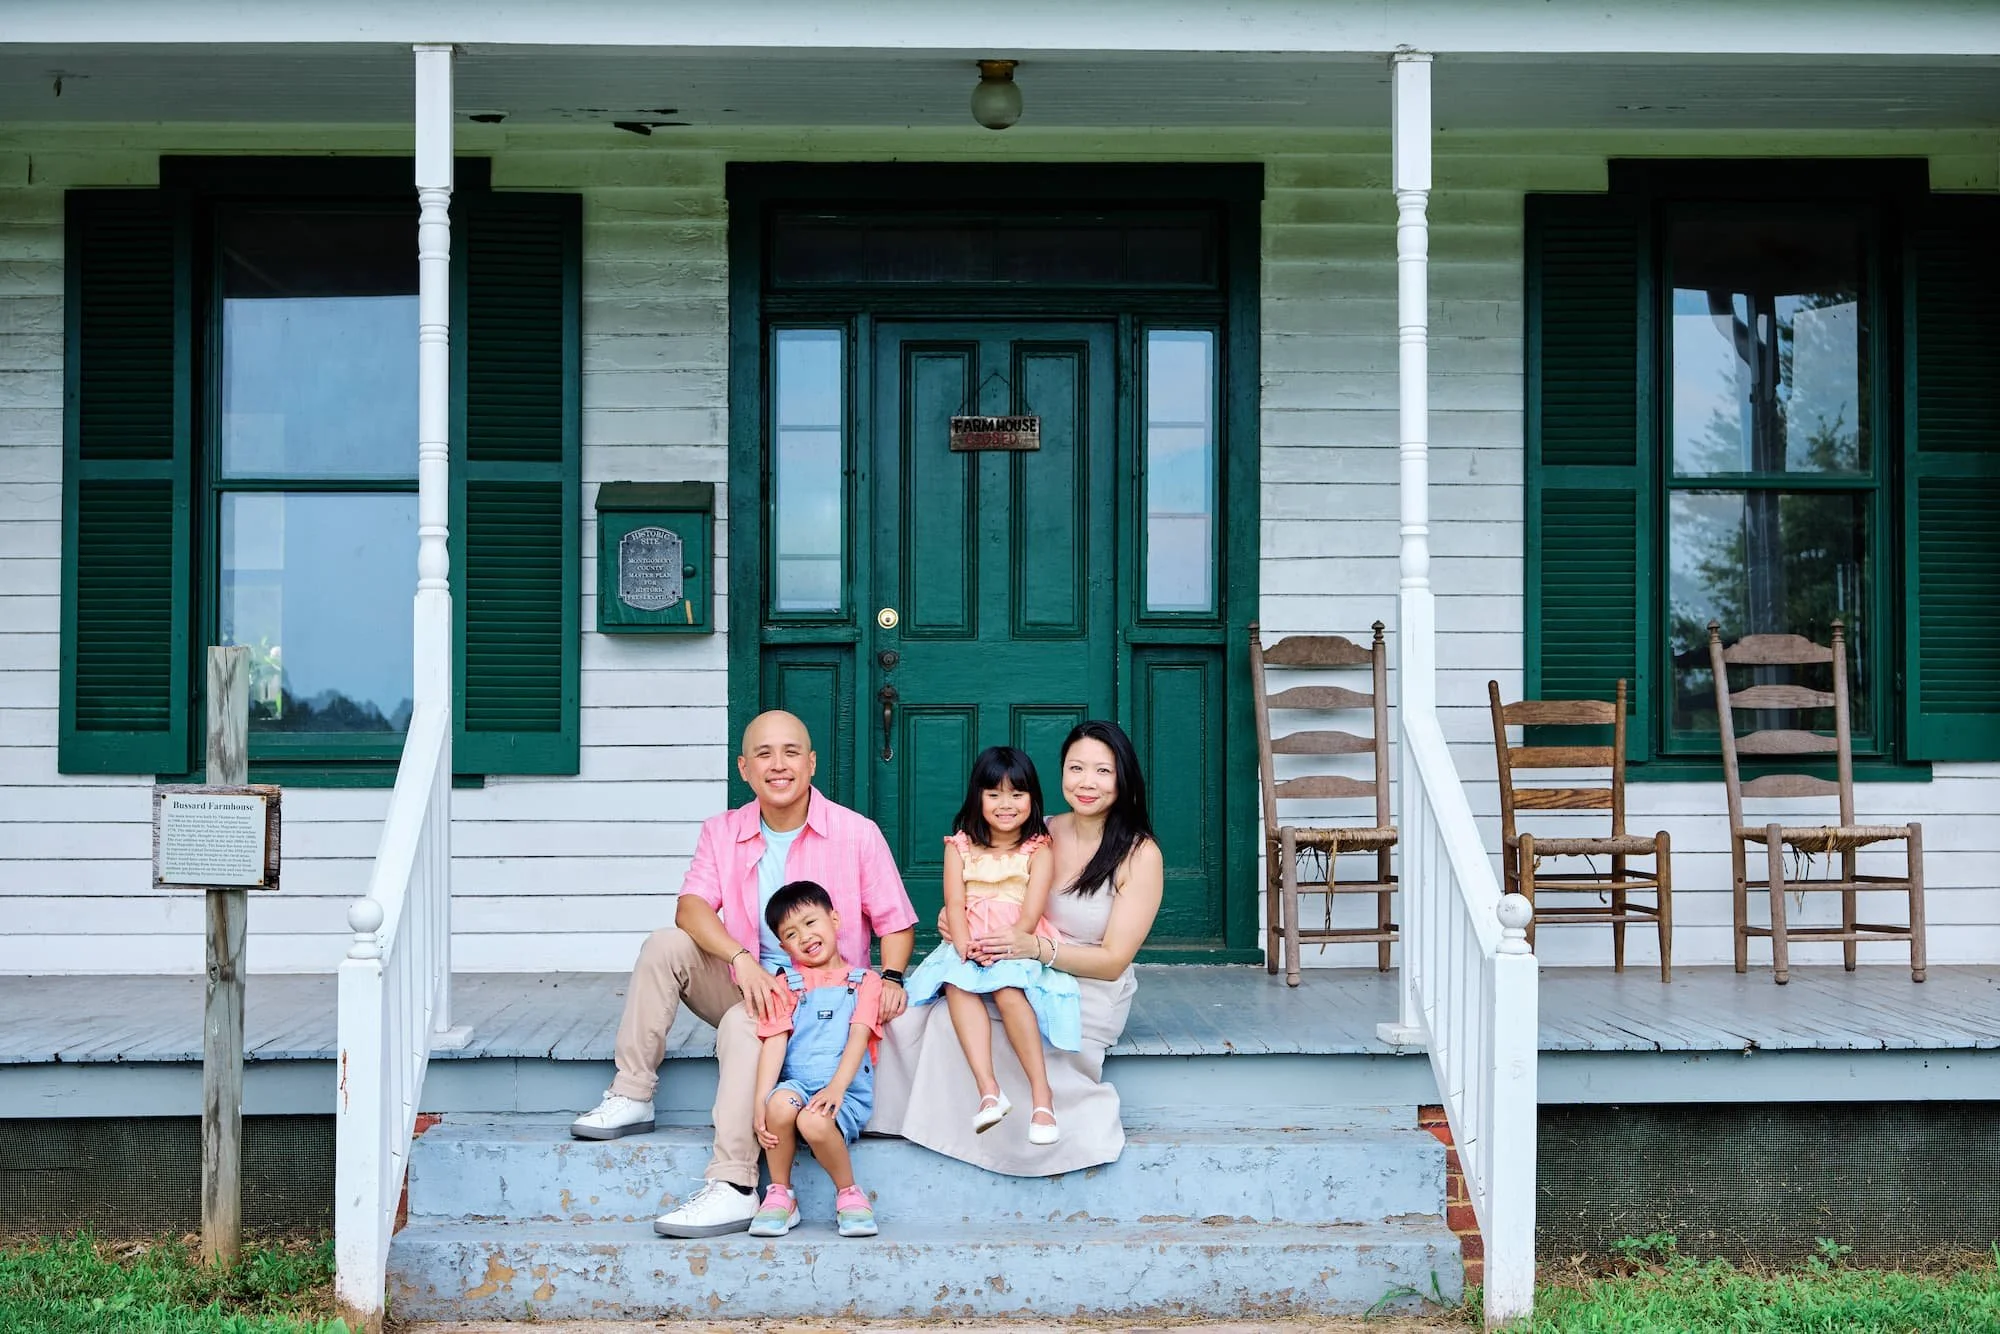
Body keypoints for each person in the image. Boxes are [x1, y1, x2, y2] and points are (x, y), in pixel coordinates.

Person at [569, 710, 916, 1239]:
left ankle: (733, 1185)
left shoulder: (855, 833)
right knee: (666, 944)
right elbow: (690, 909)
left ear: (812, 762)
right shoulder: (722, 831)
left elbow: (895, 922)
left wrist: (890, 978)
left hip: (823, 996)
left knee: (742, 1026)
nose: (779, 766)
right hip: (746, 978)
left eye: (792, 752)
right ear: (744, 769)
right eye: (764, 755)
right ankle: (632, 1093)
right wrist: (740, 959)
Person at [869, 720, 1163, 1177]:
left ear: (1124, 777)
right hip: (1008, 959)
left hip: (1084, 980)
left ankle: (1038, 1120)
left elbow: (1112, 961)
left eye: (1103, 771)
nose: (1087, 782)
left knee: (979, 1022)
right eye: (1076, 768)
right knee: (919, 1013)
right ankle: (907, 1117)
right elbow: (984, 887)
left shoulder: (1138, 854)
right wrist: (955, 919)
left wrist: (1035, 948)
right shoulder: (1037, 829)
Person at [900, 746, 1081, 1145]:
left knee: (1007, 989)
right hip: (970, 938)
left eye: (1017, 794)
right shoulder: (959, 845)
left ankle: (1041, 1097)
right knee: (957, 984)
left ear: (1032, 799)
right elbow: (955, 902)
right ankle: (989, 1091)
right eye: (994, 794)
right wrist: (964, 946)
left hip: (1014, 938)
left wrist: (1005, 946)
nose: (1005, 804)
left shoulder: (1038, 848)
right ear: (977, 797)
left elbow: (1030, 913)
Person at [747, 880, 884, 1239]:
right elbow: (775, 1042)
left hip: (845, 1090)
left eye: (811, 922)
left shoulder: (865, 981)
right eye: (791, 933)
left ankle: (849, 1194)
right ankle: (780, 1194)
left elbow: (859, 1034)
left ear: (834, 919)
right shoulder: (786, 983)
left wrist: (837, 1088)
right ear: (782, 946)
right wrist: (761, 1101)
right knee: (779, 1106)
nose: (805, 936)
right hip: (797, 1084)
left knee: (813, 1121)